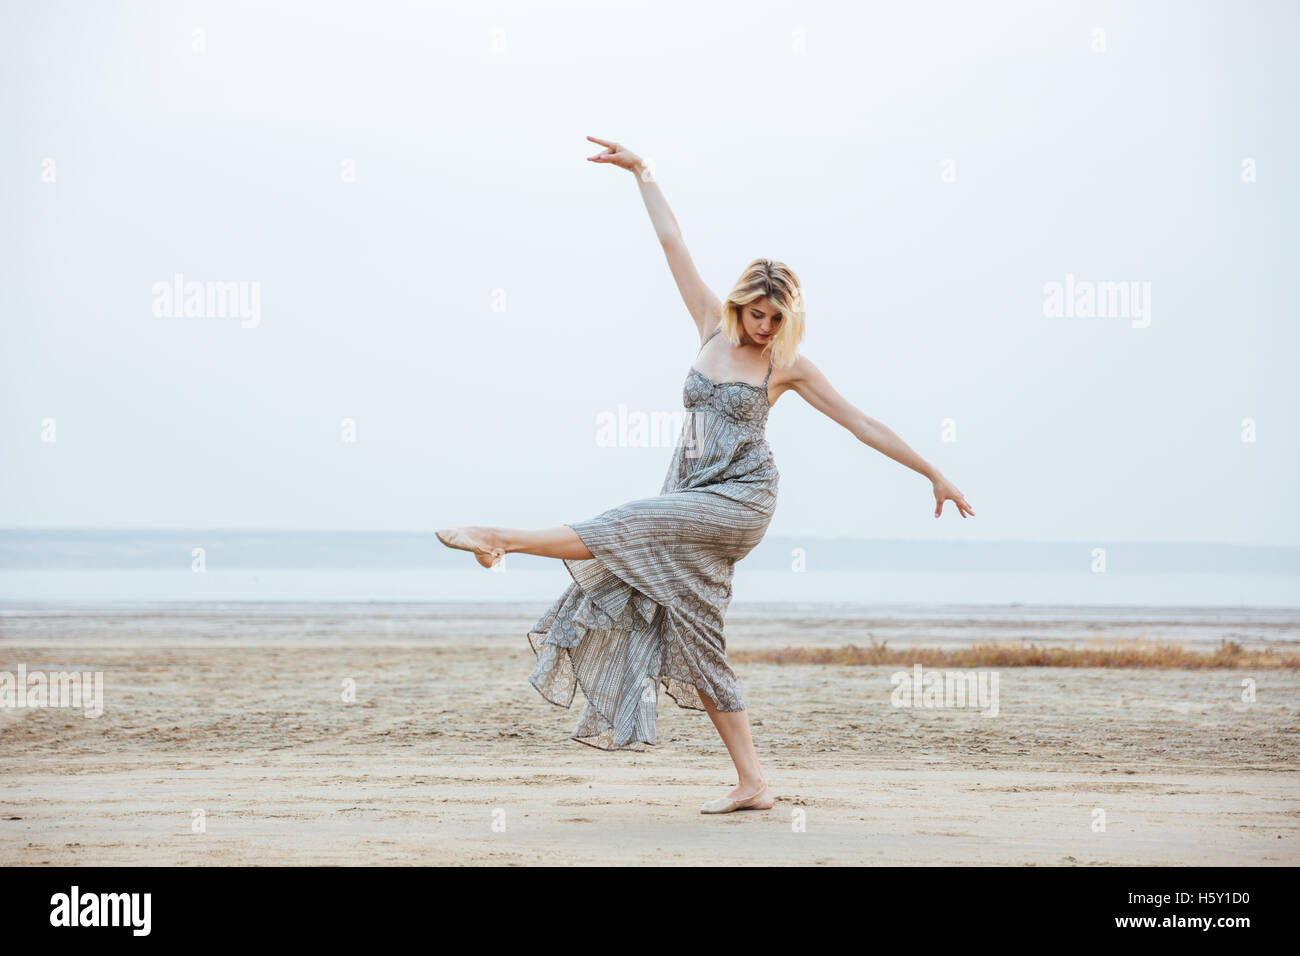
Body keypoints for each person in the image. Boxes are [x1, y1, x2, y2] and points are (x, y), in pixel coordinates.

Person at [437, 135, 974, 814]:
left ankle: (499, 537)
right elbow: (672, 244)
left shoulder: (788, 366)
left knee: (626, 523)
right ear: (740, 302)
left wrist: (934, 472)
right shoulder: (707, 328)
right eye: (758, 313)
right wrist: (643, 172)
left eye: (777, 319)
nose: (764, 327)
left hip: (742, 500)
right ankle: (753, 782)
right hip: (690, 492)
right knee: (697, 635)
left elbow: (862, 422)